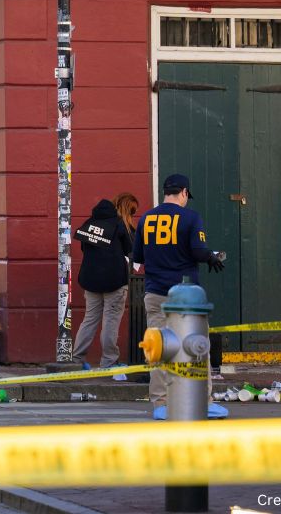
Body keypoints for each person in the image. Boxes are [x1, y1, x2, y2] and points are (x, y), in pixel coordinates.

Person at [132, 173, 225, 420]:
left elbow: (138, 258)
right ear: (184, 192)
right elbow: (197, 250)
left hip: (155, 293)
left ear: (165, 192)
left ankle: (161, 403)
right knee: (197, 347)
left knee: (160, 348)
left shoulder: (146, 218)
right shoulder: (191, 217)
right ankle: (202, 402)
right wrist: (210, 257)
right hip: (187, 299)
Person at [71, 195, 134, 378]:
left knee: (89, 319)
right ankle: (109, 361)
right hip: (114, 281)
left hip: (90, 280)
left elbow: (84, 249)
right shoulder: (118, 225)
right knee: (110, 321)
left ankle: (77, 359)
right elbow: (129, 249)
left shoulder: (89, 225)